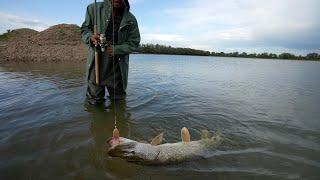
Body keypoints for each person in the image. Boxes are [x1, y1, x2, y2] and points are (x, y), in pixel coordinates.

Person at [81, 0, 140, 105]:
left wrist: (116, 49)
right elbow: (85, 30)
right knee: (94, 101)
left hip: (118, 65)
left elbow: (134, 43)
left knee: (119, 101)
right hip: (96, 61)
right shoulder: (93, 8)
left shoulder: (131, 19)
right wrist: (90, 37)